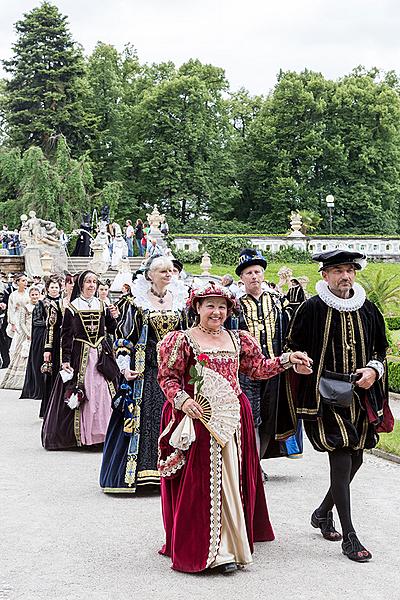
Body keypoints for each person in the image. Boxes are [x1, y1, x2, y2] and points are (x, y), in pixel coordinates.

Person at [157, 282, 312, 573]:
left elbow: (259, 369)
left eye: (222, 307)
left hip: (233, 418)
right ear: (197, 308)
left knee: (231, 480)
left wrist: (288, 360)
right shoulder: (182, 340)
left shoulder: (238, 339)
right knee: (204, 483)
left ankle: (230, 544)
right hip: (199, 417)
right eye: (210, 306)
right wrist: (183, 400)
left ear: (229, 311)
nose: (216, 312)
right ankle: (211, 550)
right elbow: (168, 378)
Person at [285, 250, 391, 563]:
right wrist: (299, 363)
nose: (345, 276)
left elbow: (381, 349)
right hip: (324, 396)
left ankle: (321, 513)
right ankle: (350, 536)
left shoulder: (368, 308)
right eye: (337, 271)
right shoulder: (312, 308)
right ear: (325, 275)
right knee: (342, 458)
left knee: (355, 460)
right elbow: (292, 345)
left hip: (360, 396)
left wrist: (373, 370)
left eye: (349, 270)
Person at [100, 256, 188, 493]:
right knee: (148, 419)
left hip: (175, 371)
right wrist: (124, 365)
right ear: (150, 274)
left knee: (176, 418)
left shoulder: (181, 299)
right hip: (147, 371)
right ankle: (146, 473)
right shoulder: (135, 302)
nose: (168, 274)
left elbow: (188, 334)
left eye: (170, 270)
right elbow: (124, 338)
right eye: (162, 271)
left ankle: (176, 472)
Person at [234, 249, 302, 464]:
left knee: (270, 422)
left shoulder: (277, 301)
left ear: (263, 275)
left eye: (258, 271)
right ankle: (250, 467)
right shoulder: (235, 306)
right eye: (249, 273)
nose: (254, 276)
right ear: (242, 278)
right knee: (251, 420)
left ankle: (257, 464)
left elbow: (292, 330)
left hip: (274, 370)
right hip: (246, 373)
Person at [41, 271, 119, 450]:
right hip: (80, 355)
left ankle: (105, 434)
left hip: (101, 354)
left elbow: (112, 328)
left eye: (94, 282)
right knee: (85, 393)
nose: (92, 285)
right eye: (88, 282)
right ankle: (86, 436)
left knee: (104, 393)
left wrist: (115, 316)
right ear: (81, 285)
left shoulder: (102, 305)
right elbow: (66, 336)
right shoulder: (73, 307)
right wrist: (66, 359)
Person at [20, 277, 61, 401]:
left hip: (57, 335)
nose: (54, 289)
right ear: (47, 289)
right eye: (52, 287)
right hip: (42, 335)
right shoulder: (41, 303)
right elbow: (36, 321)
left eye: (56, 287)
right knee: (41, 363)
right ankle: (41, 389)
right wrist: (51, 323)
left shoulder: (62, 303)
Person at [1, 286, 40, 389]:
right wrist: (28, 333)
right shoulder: (25, 307)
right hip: (26, 333)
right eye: (33, 295)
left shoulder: (41, 306)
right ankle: (21, 381)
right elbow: (22, 323)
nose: (35, 297)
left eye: (36, 294)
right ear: (30, 296)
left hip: (37, 332)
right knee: (23, 356)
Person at [6, 273, 29, 358]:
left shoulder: (28, 294)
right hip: (17, 318)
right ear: (18, 282)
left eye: (26, 280)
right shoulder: (13, 295)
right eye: (23, 281)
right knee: (16, 341)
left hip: (27, 319)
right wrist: (12, 324)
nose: (25, 282)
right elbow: (11, 310)